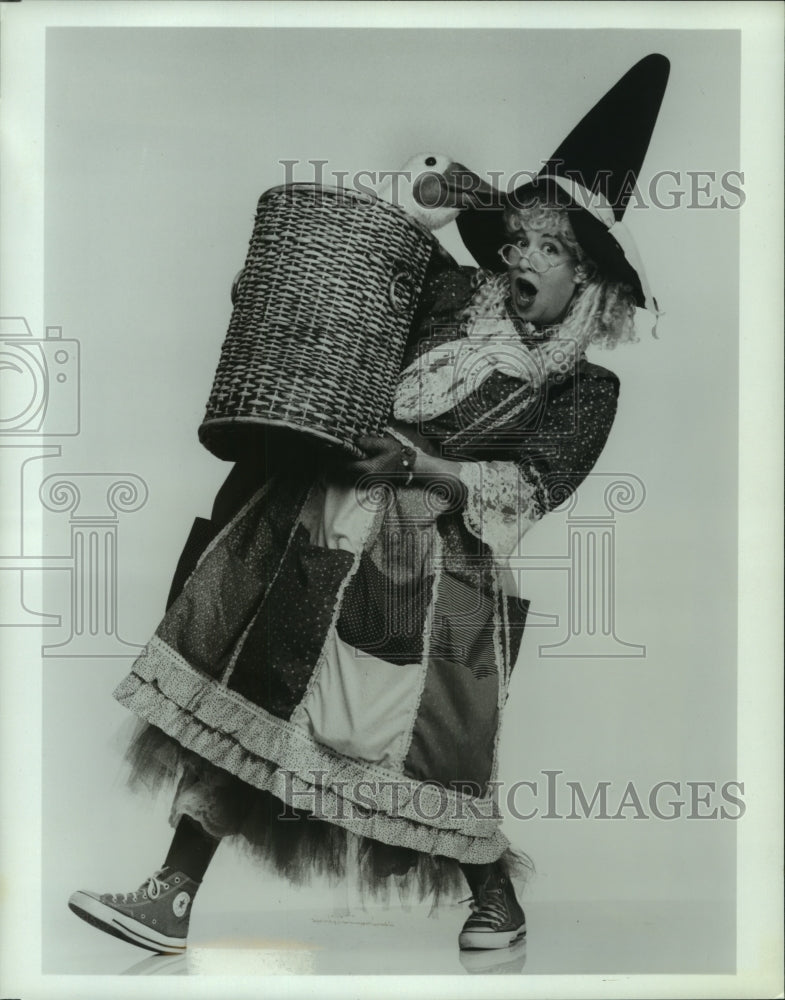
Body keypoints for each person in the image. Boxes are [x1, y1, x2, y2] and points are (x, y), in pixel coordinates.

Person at [68, 54, 670, 957]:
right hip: (314, 517)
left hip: (430, 572)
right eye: (520, 240)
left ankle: (493, 896)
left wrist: (419, 463)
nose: (524, 260)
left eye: (552, 248)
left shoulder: (584, 391)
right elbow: (358, 282)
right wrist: (403, 218)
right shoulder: (451, 302)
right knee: (250, 692)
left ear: (587, 281)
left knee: (419, 751)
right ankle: (171, 896)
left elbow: (528, 487)